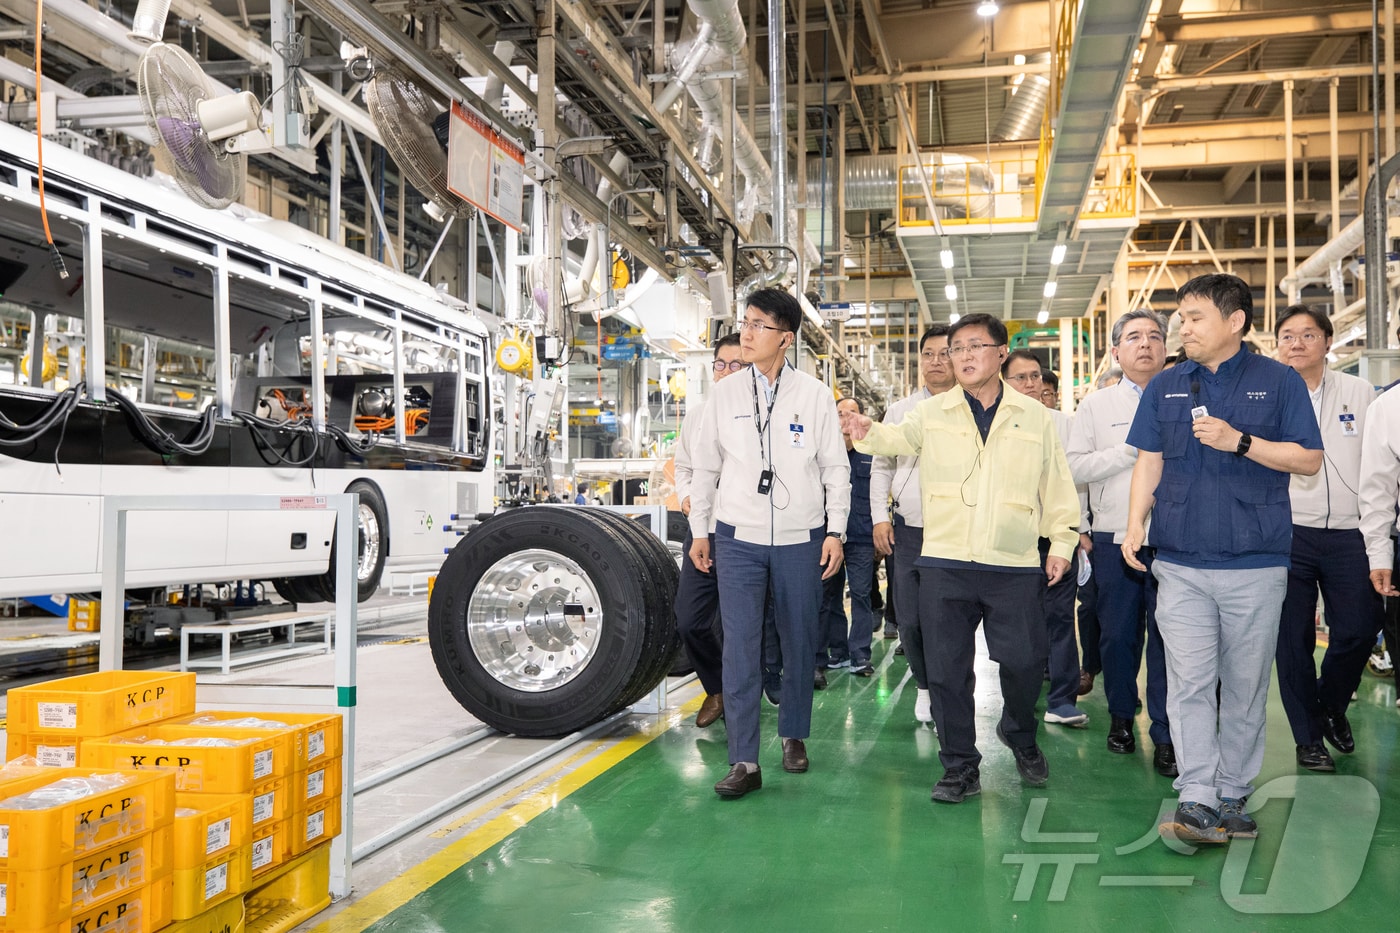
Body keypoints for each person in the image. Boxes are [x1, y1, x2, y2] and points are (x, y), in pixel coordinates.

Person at [842, 313, 1081, 804]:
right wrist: (866, 429)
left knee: (1023, 662)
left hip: (1012, 560)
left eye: (976, 346)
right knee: (948, 669)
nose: (964, 356)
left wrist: (1061, 543)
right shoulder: (932, 413)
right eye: (957, 348)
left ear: (1000, 353)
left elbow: (1055, 485)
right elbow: (895, 440)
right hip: (945, 558)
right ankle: (959, 766)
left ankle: (1019, 732)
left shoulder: (1033, 416)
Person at [1121, 274, 1321, 845]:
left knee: (1245, 683)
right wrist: (1136, 521)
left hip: (1254, 563)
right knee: (1187, 681)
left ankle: (1233, 790)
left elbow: (1308, 460)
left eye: (1195, 316)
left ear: (1235, 322)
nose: (1182, 326)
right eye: (1181, 316)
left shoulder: (1278, 382)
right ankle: (1198, 794)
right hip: (1180, 562)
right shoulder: (1167, 386)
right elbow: (1149, 461)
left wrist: (1241, 441)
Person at [688, 288, 850, 799]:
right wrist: (700, 531)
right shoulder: (726, 394)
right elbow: (706, 468)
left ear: (786, 337)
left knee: (800, 637)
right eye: (745, 323)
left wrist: (836, 531)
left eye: (759, 325)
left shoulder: (815, 396)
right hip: (737, 538)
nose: (747, 333)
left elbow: (835, 469)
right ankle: (743, 759)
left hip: (802, 537)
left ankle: (793, 734)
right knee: (740, 647)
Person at [1066, 309, 1176, 776]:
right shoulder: (1095, 406)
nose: (1145, 344)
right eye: (1133, 337)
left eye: (1154, 336)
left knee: (1172, 639)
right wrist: (1129, 452)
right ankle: (1120, 717)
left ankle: (1168, 732)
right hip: (1115, 537)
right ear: (1116, 351)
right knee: (1118, 635)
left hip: (1174, 538)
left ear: (1166, 347)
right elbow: (1074, 468)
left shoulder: (1187, 397)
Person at [1272, 305, 1382, 771]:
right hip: (1289, 532)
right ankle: (1307, 738)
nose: (1297, 343)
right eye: (1288, 336)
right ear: (1277, 345)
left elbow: (1379, 464)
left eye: (1308, 335)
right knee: (1292, 640)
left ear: (1327, 342)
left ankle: (1331, 704)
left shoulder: (1359, 392)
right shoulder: (1268, 396)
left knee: (1358, 627)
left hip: (1349, 534)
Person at [870, 324, 955, 724]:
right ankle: (924, 685)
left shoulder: (968, 408)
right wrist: (879, 518)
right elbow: (880, 469)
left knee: (950, 619)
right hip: (909, 530)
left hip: (956, 531)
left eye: (944, 353)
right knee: (910, 618)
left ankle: (949, 692)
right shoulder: (902, 410)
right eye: (928, 354)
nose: (936, 362)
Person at [1002, 350, 1089, 729]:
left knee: (1059, 619)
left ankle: (1062, 700)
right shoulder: (995, 424)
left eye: (1035, 376)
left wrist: (1076, 532)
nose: (1031, 384)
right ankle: (1018, 698)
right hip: (1011, 540)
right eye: (1020, 377)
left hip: (1054, 538)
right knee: (1016, 624)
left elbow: (1073, 483)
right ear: (1003, 382)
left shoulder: (1062, 424)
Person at [673, 333, 746, 729]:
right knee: (690, 619)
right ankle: (715, 687)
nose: (727, 372)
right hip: (703, 531)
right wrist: (686, 498)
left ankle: (740, 697)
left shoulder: (759, 415)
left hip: (745, 534)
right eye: (722, 364)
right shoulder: (698, 415)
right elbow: (683, 467)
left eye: (738, 365)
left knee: (743, 626)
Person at [817, 396, 877, 677]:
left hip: (862, 537)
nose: (845, 419)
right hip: (830, 538)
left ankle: (861, 655)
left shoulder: (872, 454)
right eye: (840, 413)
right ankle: (838, 651)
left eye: (852, 413)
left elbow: (878, 497)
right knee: (829, 597)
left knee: (862, 595)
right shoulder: (823, 456)